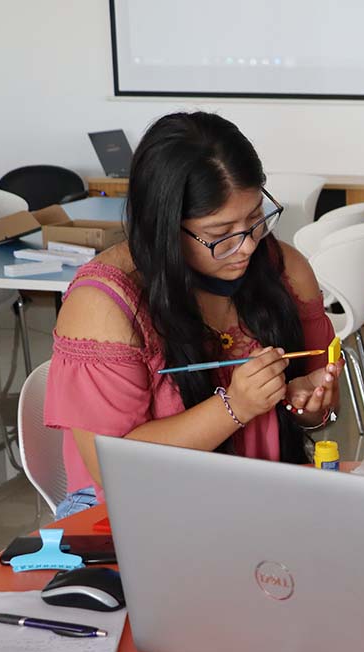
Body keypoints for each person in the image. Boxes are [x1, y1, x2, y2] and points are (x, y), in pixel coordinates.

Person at [45, 111, 342, 518]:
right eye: (221, 235)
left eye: (256, 219)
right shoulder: (104, 305)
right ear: (163, 226)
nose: (248, 246)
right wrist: (234, 406)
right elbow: (112, 466)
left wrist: (310, 405)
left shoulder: (284, 270)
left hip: (258, 497)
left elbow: (320, 406)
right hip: (134, 512)